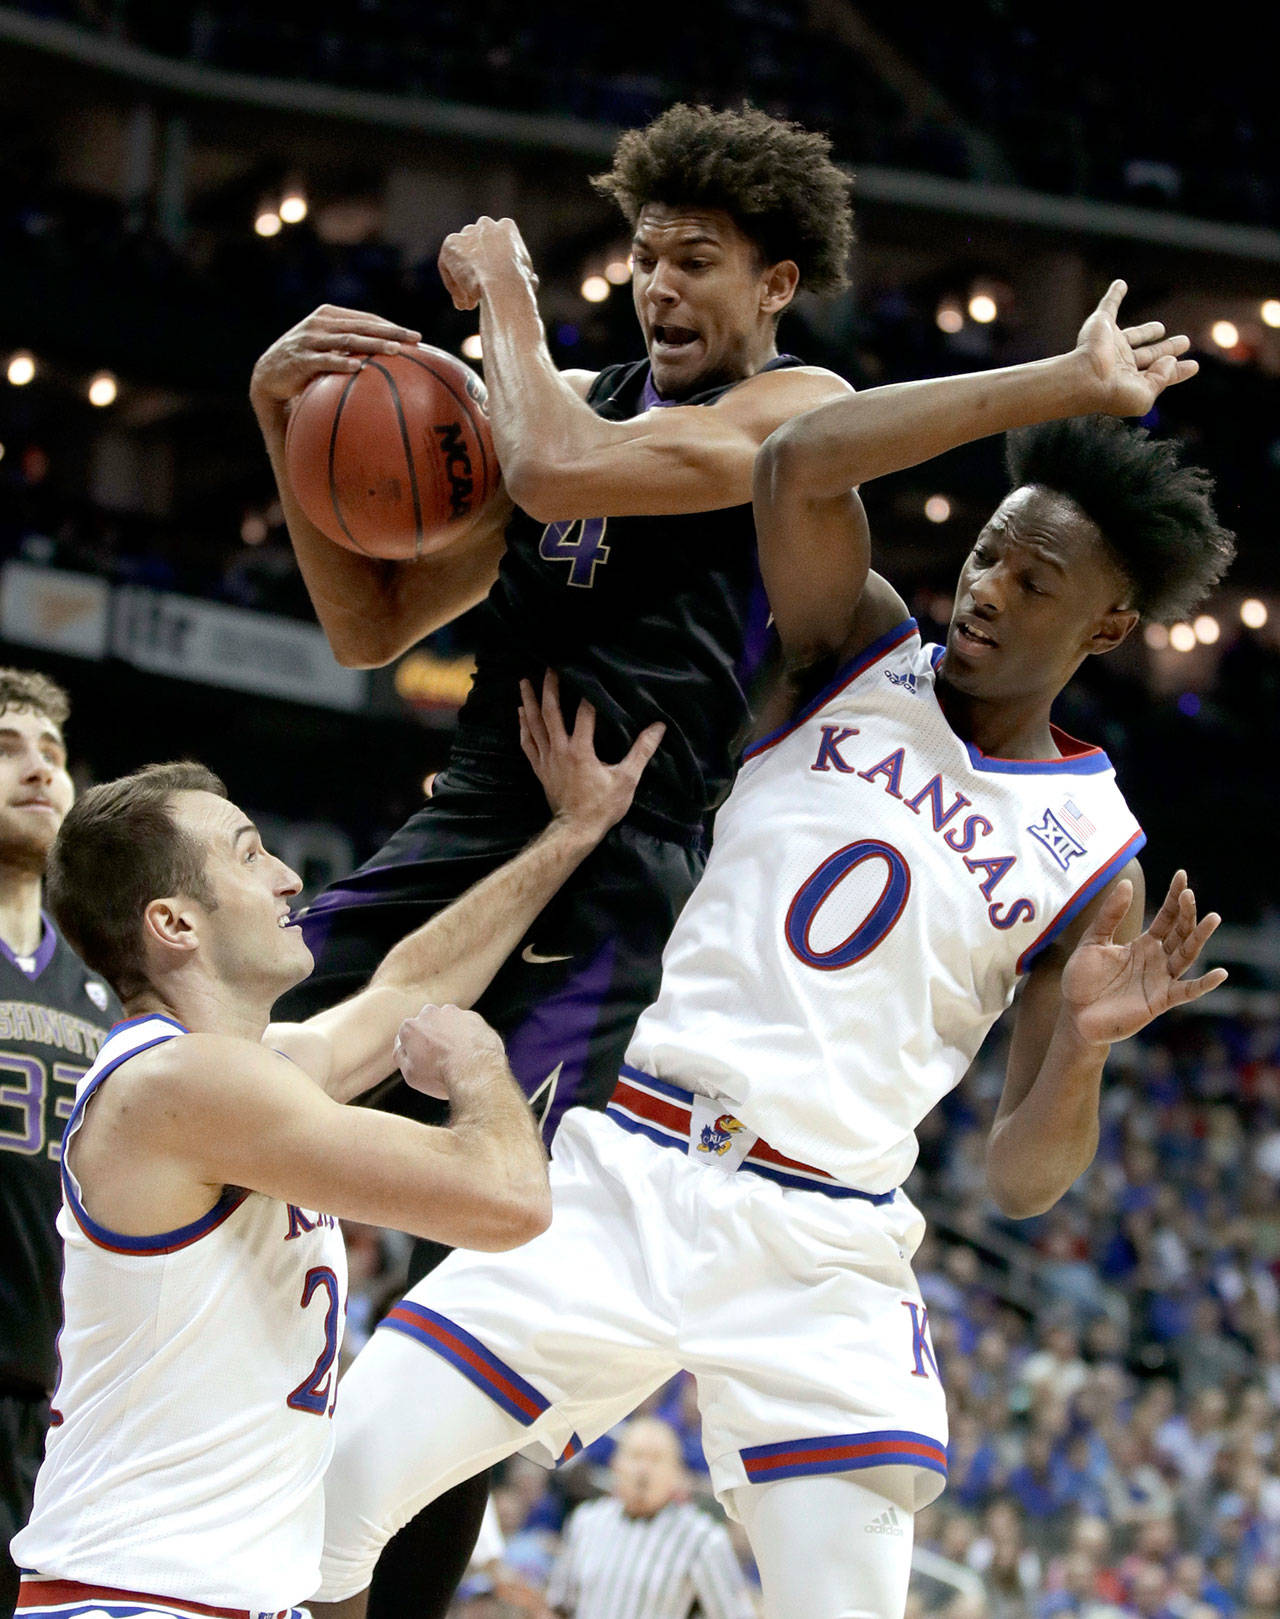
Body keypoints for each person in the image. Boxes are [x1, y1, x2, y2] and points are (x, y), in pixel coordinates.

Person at [307, 281, 1232, 1619]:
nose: (986, 591)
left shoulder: (1098, 853)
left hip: (822, 1243)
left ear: (1105, 628)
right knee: (334, 1495)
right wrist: (1063, 386)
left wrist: (1083, 1045)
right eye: (985, 554)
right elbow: (800, 460)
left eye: (1036, 584)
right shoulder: (857, 647)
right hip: (624, 1165)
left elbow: (1025, 1178)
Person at [251, 100, 856, 1609]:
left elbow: (570, 465)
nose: (656, 285)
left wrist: (508, 297)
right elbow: (369, 623)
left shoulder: (795, 414)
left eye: (696, 261)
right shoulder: (558, 401)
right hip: (465, 818)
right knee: (234, 1088)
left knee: (481, 1269)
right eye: (644, 256)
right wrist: (283, 419)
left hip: (614, 873)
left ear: (774, 284)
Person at [9, 685, 661, 1619]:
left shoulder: (245, 1075)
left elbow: (410, 986)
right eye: (247, 853)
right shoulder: (180, 1087)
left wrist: (572, 830)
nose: (285, 876)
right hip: (136, 1597)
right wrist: (479, 1059)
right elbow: (508, 1198)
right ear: (175, 924)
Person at [0, 669, 122, 1619]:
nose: (39, 768)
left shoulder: (109, 980)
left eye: (52, 751)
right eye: (7, 746)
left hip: (56, 1394)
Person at [545, 1416, 754, 1619]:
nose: (643, 1470)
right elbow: (559, 1606)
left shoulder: (703, 1538)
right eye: (635, 1456)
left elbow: (734, 1613)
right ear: (615, 1464)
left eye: (656, 1459)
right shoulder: (587, 1522)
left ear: (677, 1473)